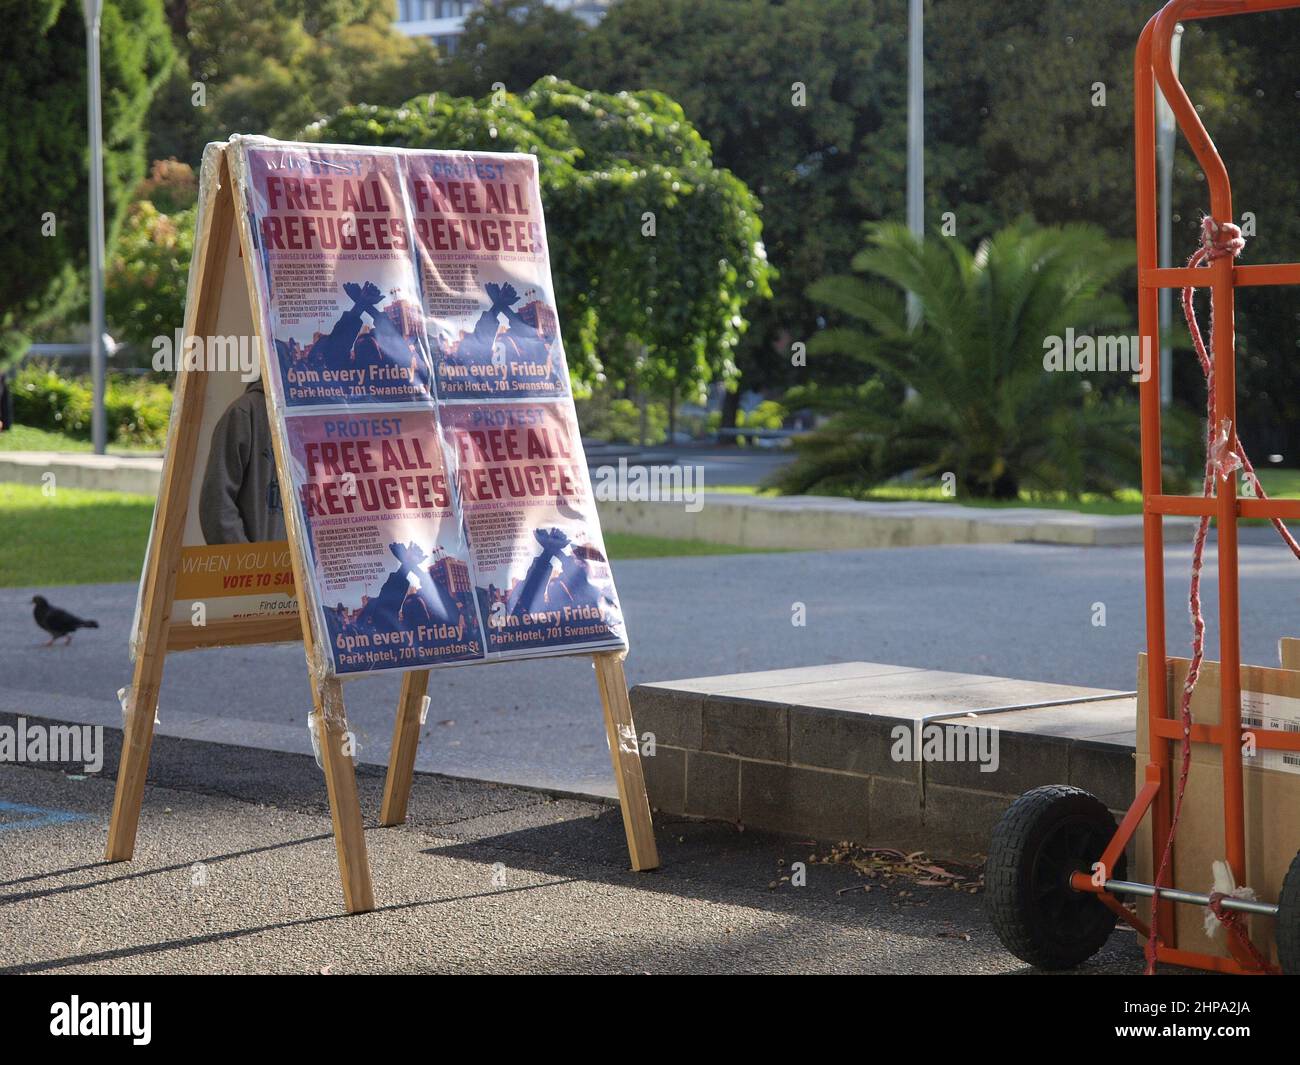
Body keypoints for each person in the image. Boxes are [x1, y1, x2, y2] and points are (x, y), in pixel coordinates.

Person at [198, 370, 285, 544]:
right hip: (259, 564)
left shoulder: (319, 416)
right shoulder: (244, 413)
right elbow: (216, 502)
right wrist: (246, 562)